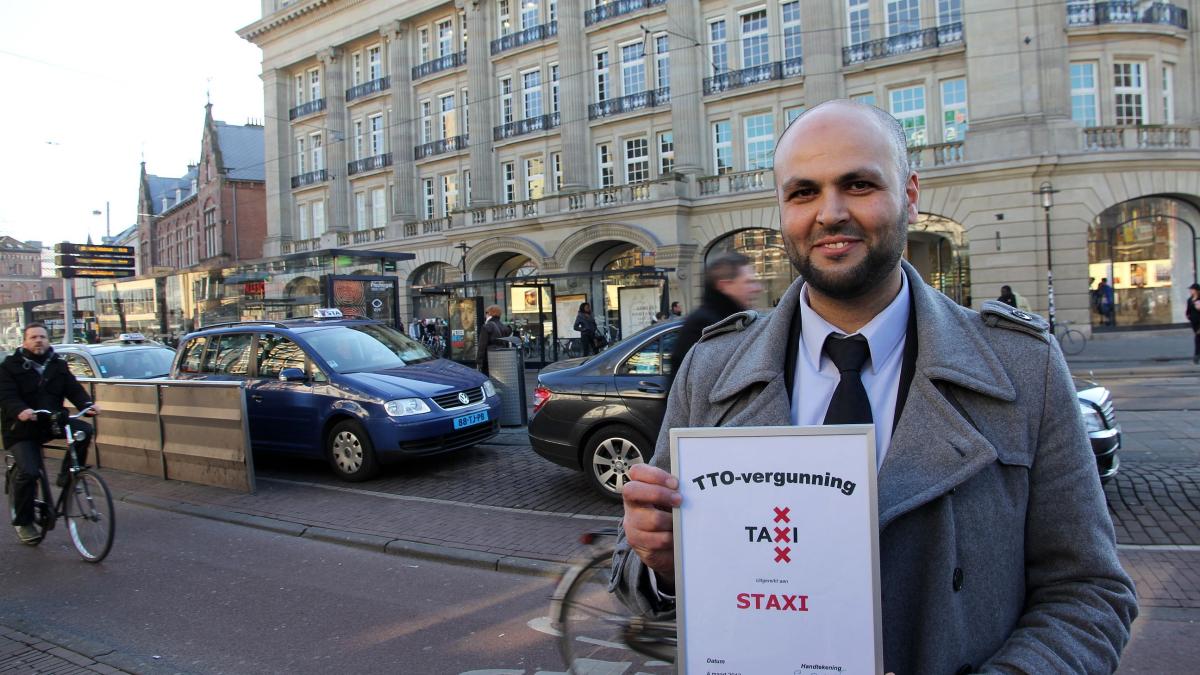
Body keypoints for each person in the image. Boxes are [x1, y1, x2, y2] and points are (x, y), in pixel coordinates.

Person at [613, 100, 1136, 673]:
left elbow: (1088, 592)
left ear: (910, 194)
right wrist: (659, 562)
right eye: (803, 192)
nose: (829, 213)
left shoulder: (1022, 366)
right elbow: (635, 580)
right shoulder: (711, 368)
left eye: (859, 184)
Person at [0, 323, 99, 544]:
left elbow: (73, 389)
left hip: (52, 422)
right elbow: (6, 396)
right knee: (30, 472)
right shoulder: (10, 366)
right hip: (21, 429)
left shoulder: (58, 365)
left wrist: (87, 404)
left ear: (48, 340)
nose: (39, 341)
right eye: (33, 337)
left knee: (84, 430)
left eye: (42, 337)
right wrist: (20, 410)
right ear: (24, 341)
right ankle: (24, 522)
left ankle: (68, 476)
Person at [668, 252, 763, 374]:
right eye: (748, 282)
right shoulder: (706, 326)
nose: (757, 288)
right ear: (724, 285)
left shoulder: (738, 321)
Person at [475, 305, 512, 376]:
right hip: (501, 359)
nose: (485, 315)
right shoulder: (503, 326)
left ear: (489, 313)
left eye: (486, 313)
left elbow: (482, 346)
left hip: (489, 360)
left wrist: (479, 362)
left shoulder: (487, 327)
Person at [1187, 283, 1200, 365]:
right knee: (1198, 339)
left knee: (1197, 339)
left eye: (1192, 289)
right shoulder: (1189, 299)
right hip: (1194, 323)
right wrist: (1188, 316)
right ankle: (1196, 357)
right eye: (1190, 289)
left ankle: (1196, 357)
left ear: (1196, 291)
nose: (1190, 291)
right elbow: (1188, 310)